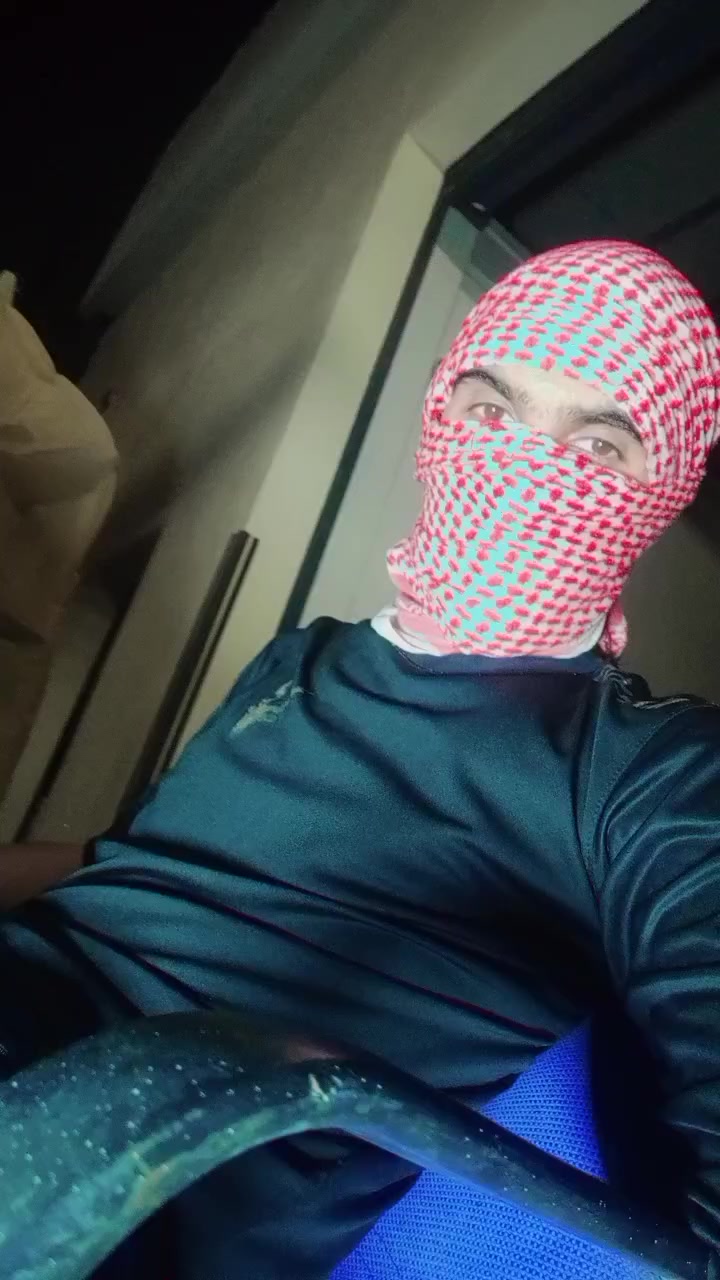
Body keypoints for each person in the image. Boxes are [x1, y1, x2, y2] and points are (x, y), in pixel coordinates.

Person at [2, 238, 720, 1279]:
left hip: (126, 1175)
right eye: (491, 411)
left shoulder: (651, 774)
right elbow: (130, 861)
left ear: (662, 496)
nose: (524, 465)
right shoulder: (305, 655)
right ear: (439, 419)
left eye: (600, 444)